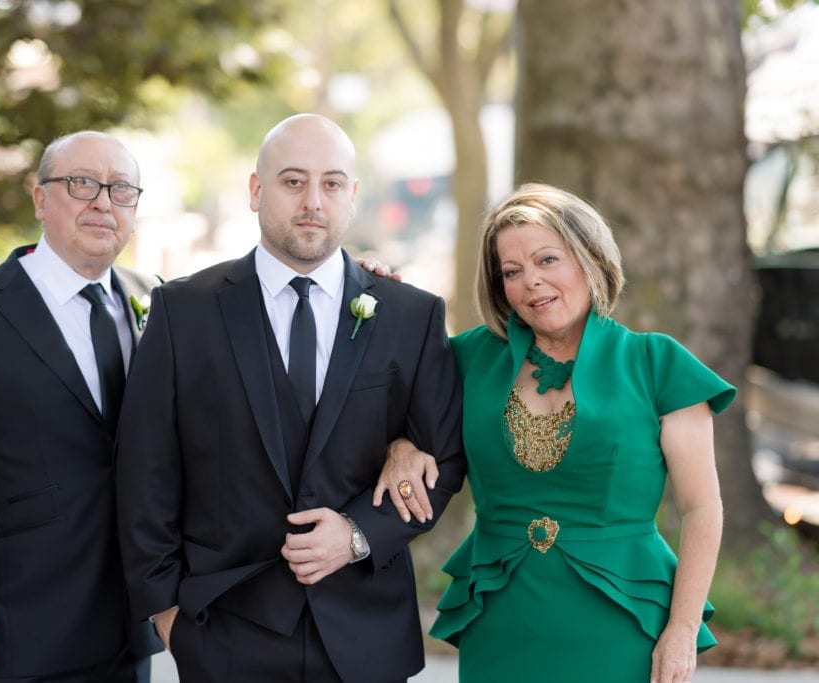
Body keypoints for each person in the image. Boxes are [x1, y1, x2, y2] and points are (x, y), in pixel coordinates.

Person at [115, 113, 467, 683]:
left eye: (331, 184)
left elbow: (443, 457)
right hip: (222, 629)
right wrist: (167, 616)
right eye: (292, 181)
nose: (313, 202)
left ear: (352, 196)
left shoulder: (411, 314)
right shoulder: (185, 312)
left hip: (366, 634)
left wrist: (357, 535)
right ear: (257, 191)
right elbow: (144, 469)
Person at [375, 183, 736, 683]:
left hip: (623, 621)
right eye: (512, 272)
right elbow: (380, 404)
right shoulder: (465, 359)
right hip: (501, 619)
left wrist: (681, 629)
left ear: (590, 258)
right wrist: (401, 445)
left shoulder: (657, 363)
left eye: (548, 260)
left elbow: (702, 507)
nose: (532, 284)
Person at [0, 131, 160, 681]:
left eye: (121, 190)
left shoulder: (157, 301)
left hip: (130, 625)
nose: (102, 203)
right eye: (81, 183)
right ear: (40, 199)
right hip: (14, 626)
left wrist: (358, 278)